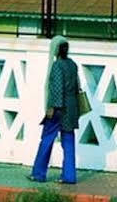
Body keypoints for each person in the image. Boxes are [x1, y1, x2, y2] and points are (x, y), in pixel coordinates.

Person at [28, 35, 80, 184]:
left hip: (58, 109)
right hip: (71, 108)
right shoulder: (72, 64)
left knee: (46, 139)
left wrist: (51, 107)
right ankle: (69, 176)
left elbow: (57, 89)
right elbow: (76, 87)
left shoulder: (57, 65)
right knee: (68, 141)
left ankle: (38, 173)